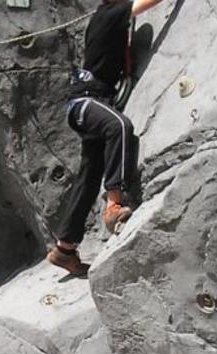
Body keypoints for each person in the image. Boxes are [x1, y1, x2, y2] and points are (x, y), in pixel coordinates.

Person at [48, 0, 166, 275]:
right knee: (119, 127)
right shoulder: (109, 12)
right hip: (86, 102)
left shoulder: (106, 15)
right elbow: (143, 4)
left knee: (90, 173)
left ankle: (65, 249)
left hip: (89, 103)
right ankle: (114, 204)